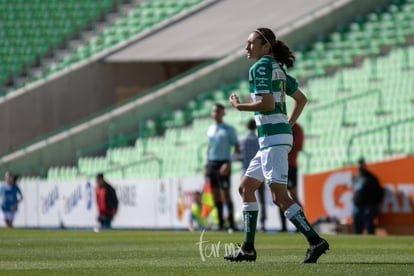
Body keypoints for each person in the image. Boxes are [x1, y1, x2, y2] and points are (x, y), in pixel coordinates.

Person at [224, 27, 329, 263]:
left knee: (279, 197)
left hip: (272, 139)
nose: (246, 47)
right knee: (246, 188)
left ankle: (315, 240)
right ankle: (248, 249)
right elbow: (301, 99)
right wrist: (288, 124)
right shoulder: (277, 69)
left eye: (251, 43)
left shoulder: (260, 67)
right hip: (273, 139)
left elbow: (267, 103)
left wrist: (240, 106)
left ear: (266, 46)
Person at [205, 103, 240, 232]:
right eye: (214, 111)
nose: (215, 113)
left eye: (218, 111)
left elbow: (237, 149)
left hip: (223, 163)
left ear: (223, 113)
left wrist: (228, 163)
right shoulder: (210, 129)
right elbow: (209, 147)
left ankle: (231, 224)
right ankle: (220, 224)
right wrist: (206, 163)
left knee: (225, 193)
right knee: (215, 194)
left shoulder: (229, 129)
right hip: (212, 163)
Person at [239, 119, 267, 232]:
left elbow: (238, 155)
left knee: (246, 198)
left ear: (246, 127)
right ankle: (263, 223)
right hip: (260, 172)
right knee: (262, 200)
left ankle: (247, 223)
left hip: (246, 172)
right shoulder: (259, 140)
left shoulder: (242, 140)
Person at [279, 122, 304, 232]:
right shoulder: (282, 126)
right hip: (280, 165)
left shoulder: (297, 128)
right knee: (279, 197)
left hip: (290, 165)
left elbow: (299, 145)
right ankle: (283, 227)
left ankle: (301, 226)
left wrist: (283, 146)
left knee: (294, 197)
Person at [352, 158, 384, 235]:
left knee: (369, 225)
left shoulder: (371, 178)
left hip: (368, 206)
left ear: (364, 165)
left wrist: (376, 203)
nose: (360, 166)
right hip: (357, 206)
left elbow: (379, 191)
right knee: (357, 227)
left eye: (361, 164)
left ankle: (372, 243)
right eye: (359, 164)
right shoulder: (356, 177)